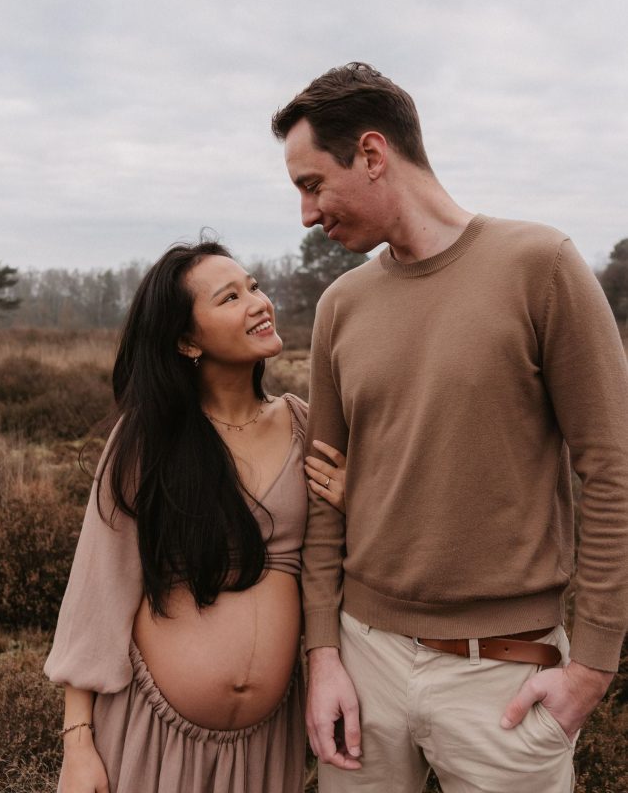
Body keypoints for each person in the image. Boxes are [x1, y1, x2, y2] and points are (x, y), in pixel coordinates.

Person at [271, 62, 628, 792]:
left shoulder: (543, 267)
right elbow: (323, 492)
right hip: (363, 665)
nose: (307, 215)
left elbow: (614, 471)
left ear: (372, 155)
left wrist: (592, 664)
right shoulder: (341, 304)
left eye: (312, 186)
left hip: (504, 676)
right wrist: (323, 654)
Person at [44, 238, 347, 793]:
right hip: (151, 736)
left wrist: (358, 498)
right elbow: (97, 591)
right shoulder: (146, 441)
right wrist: (78, 744)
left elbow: (344, 555)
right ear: (187, 340)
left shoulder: (305, 425)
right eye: (229, 298)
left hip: (264, 747)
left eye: (254, 286)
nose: (258, 302)